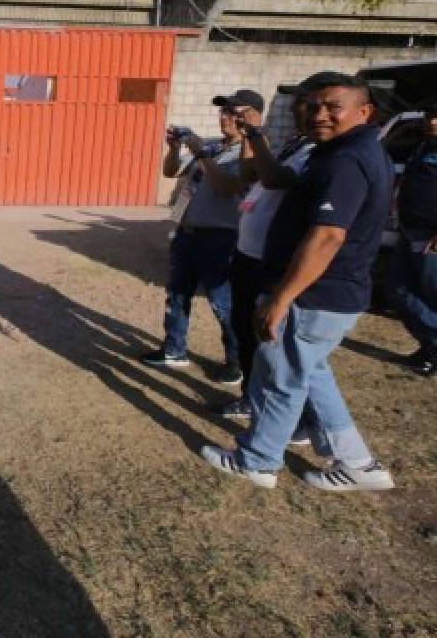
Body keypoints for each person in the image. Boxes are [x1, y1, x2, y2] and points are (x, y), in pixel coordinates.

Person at [201, 74, 396, 492]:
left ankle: (258, 460)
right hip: (329, 295)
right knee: (311, 372)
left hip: (313, 294)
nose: (318, 114)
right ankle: (358, 462)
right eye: (310, 105)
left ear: (365, 112)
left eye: (332, 106)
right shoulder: (343, 151)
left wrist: (281, 299)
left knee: (280, 379)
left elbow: (328, 235)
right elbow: (273, 180)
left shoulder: (347, 159)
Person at [215, 77, 321, 419]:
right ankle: (250, 396)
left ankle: (297, 417)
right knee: (245, 329)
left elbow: (275, 179)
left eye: (237, 111)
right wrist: (250, 137)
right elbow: (250, 174)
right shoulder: (288, 144)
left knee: (271, 342)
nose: (298, 111)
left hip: (270, 258)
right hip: (247, 253)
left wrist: (256, 135)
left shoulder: (313, 151)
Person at [141, 90, 255, 382]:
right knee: (177, 295)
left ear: (250, 116)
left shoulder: (250, 152)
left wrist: (201, 151)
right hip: (187, 233)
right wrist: (174, 148)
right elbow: (171, 172)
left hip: (221, 237)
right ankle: (174, 349)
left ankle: (236, 361)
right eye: (223, 112)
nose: (224, 117)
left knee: (223, 303)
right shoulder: (213, 146)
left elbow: (226, 187)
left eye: (232, 112)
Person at [389, 102, 437, 377]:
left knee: (430, 295)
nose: (432, 122)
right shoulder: (422, 146)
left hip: (431, 236)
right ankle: (430, 343)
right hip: (410, 230)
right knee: (398, 290)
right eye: (430, 115)